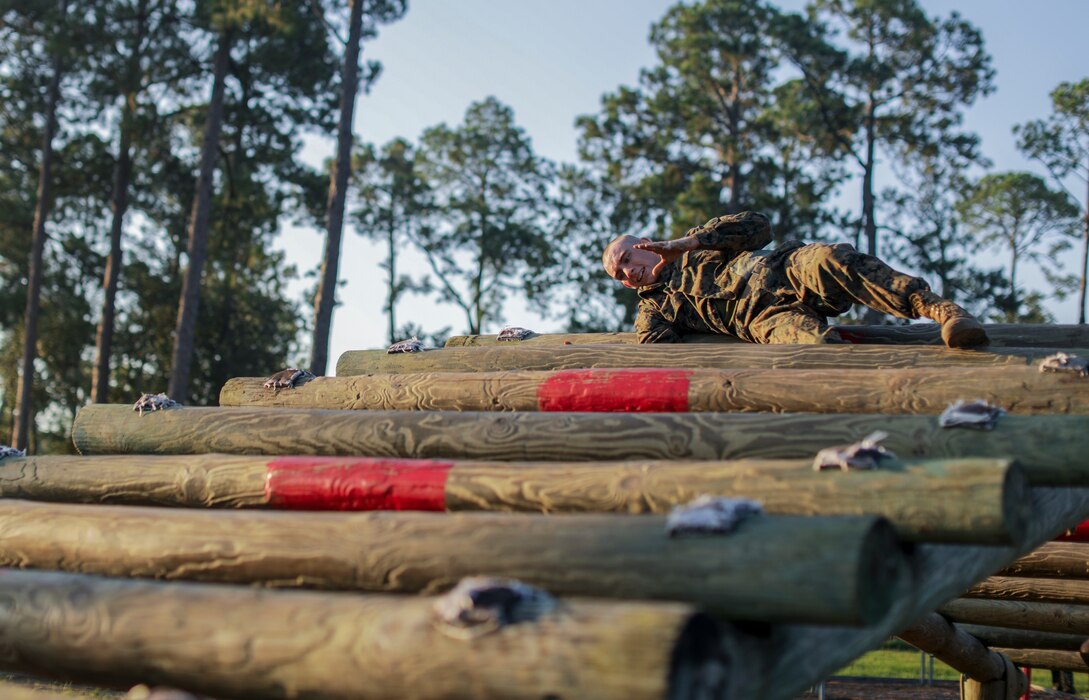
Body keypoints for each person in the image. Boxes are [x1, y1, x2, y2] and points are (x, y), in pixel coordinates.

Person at [601, 211, 988, 347]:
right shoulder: (654, 307)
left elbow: (758, 226)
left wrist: (688, 243)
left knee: (833, 258)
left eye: (627, 259)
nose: (628, 273)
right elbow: (655, 343)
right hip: (763, 320)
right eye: (620, 275)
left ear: (645, 244)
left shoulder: (696, 244)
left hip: (783, 269)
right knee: (815, 350)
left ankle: (941, 311)